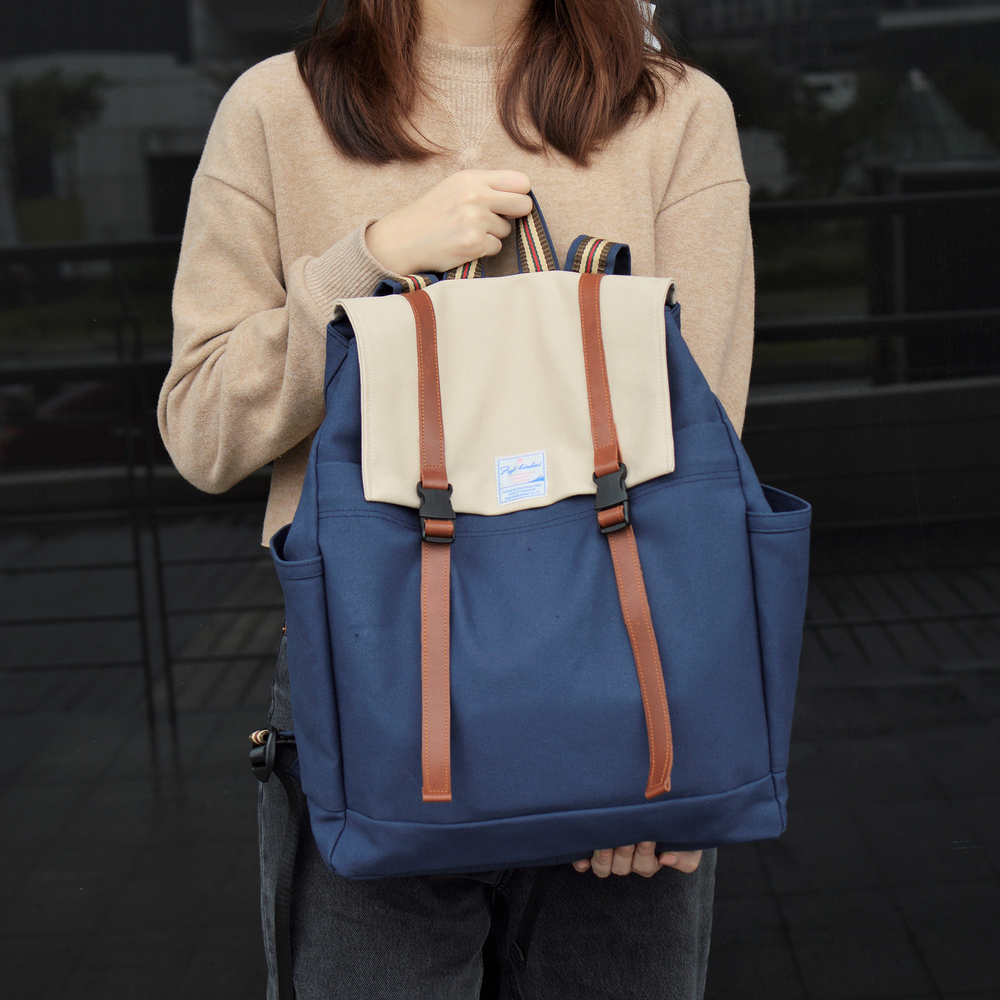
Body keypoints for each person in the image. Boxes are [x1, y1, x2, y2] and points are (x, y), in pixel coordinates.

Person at [158, 1, 753, 996]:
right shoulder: (276, 109)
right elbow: (202, 431)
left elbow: (703, 455)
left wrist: (680, 763)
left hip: (619, 686)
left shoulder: (672, 112)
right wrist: (371, 259)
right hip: (368, 691)